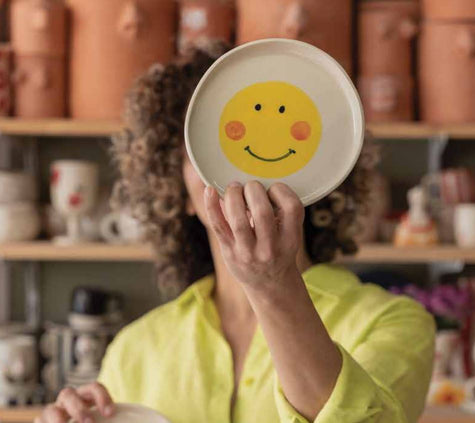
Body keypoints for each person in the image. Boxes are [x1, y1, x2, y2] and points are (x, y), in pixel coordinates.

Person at [37, 44, 435, 423]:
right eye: (210, 147)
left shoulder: (392, 322)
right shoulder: (134, 349)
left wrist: (273, 286)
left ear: (313, 174)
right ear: (178, 190)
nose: (243, 170)